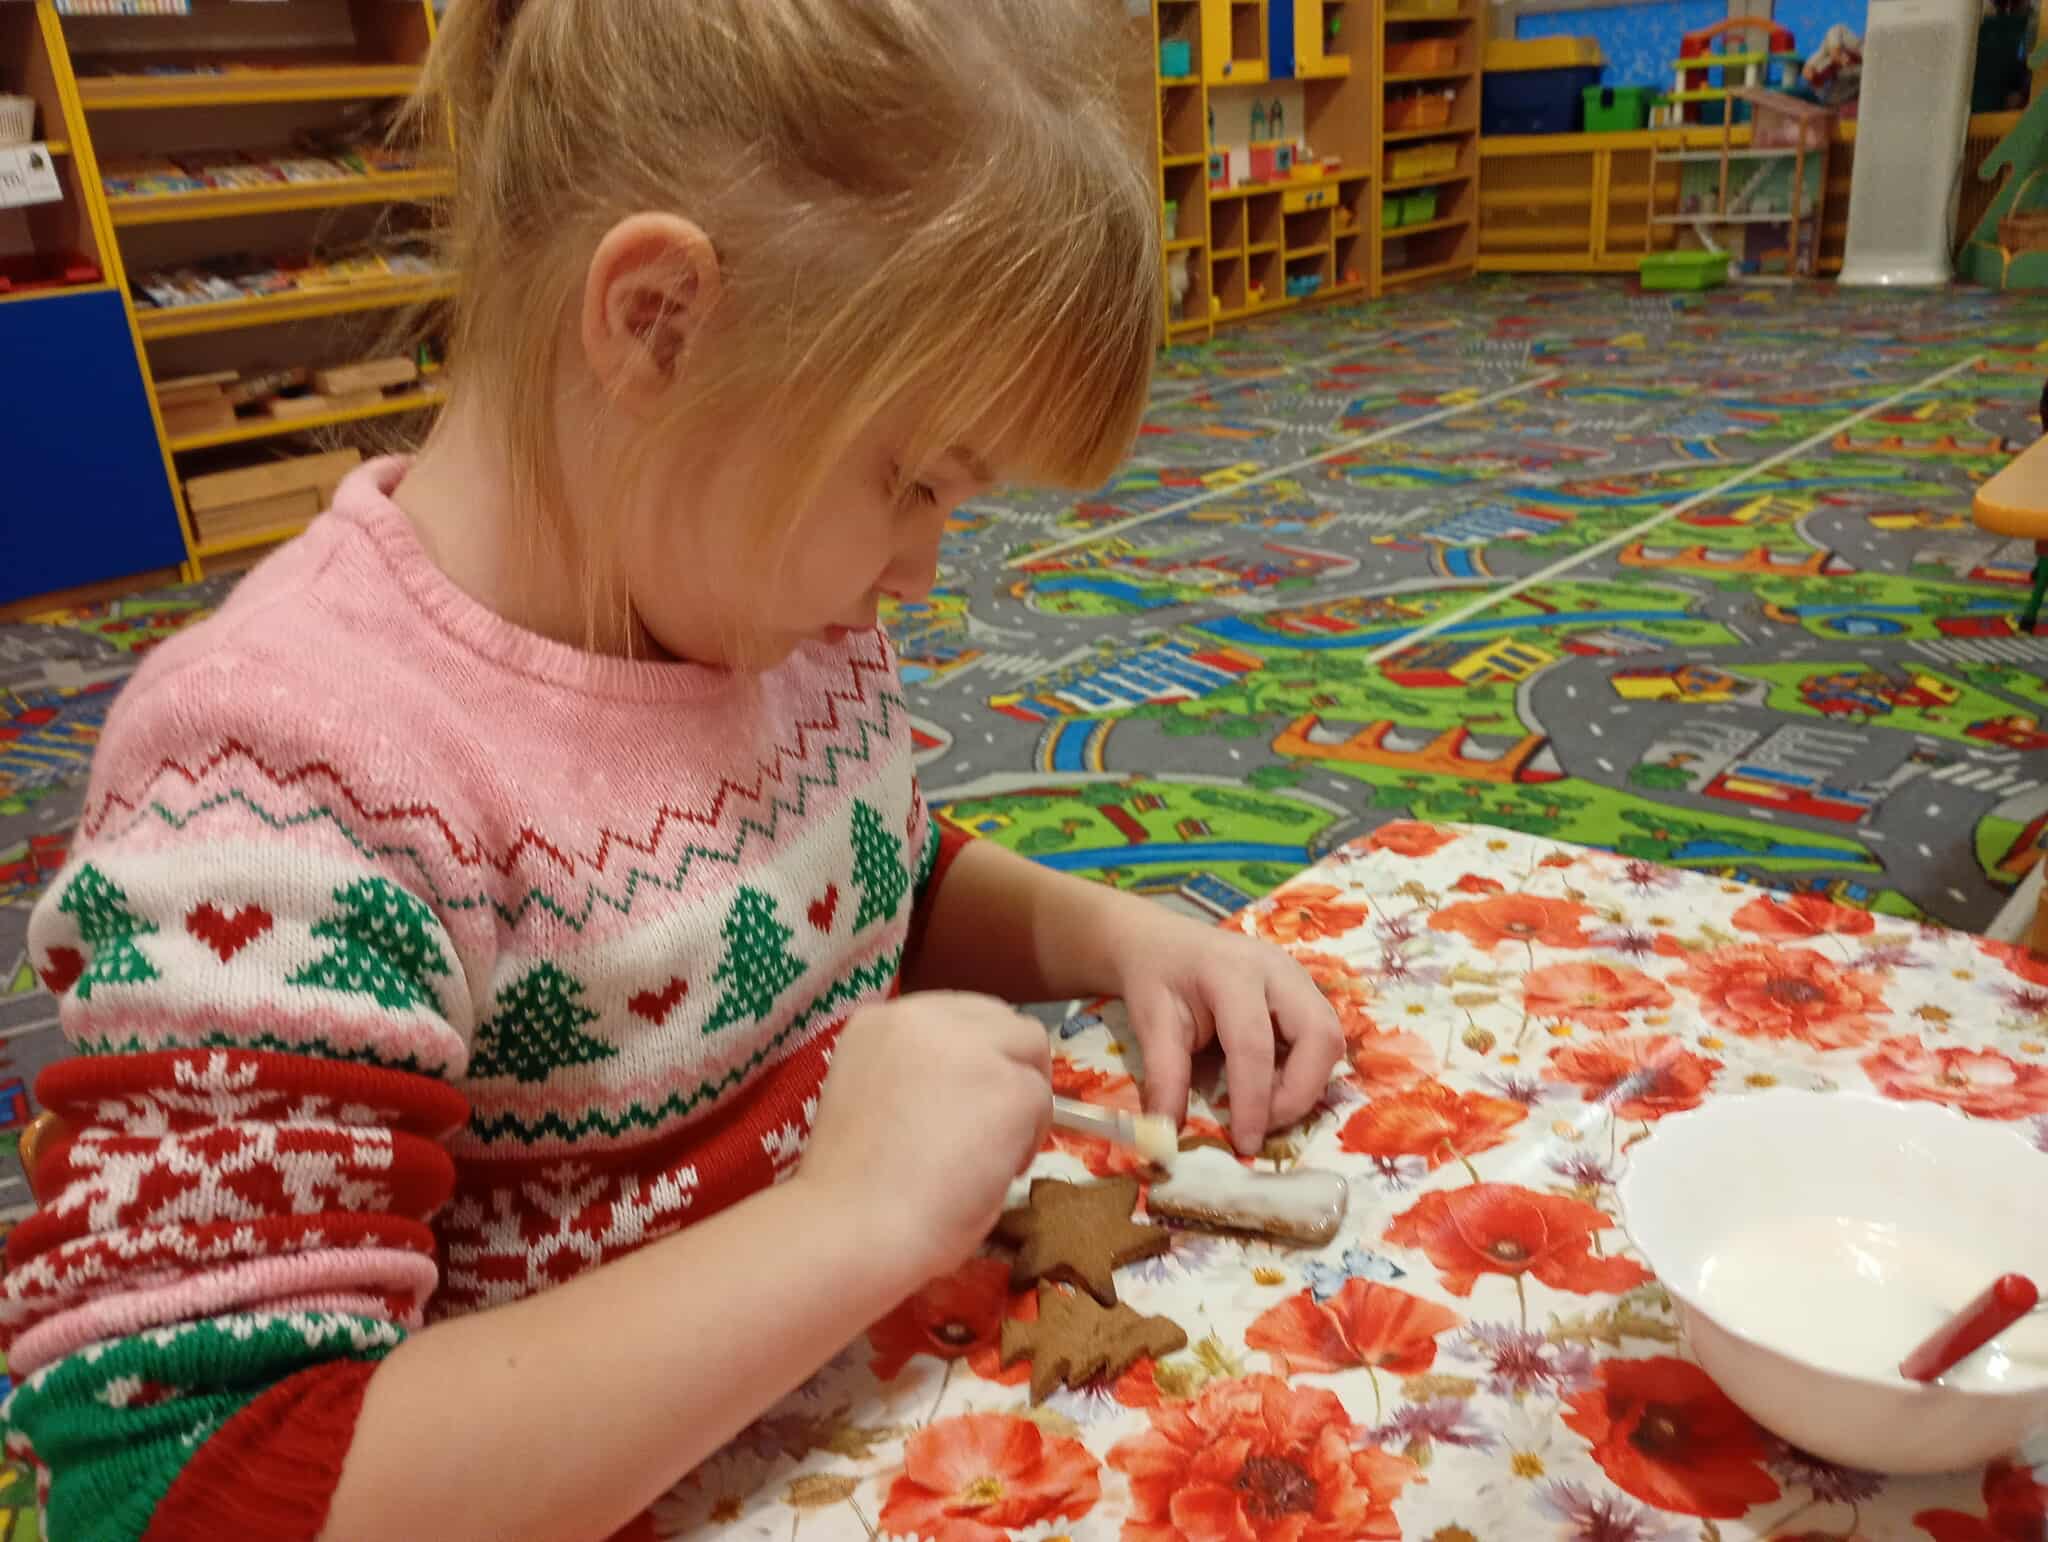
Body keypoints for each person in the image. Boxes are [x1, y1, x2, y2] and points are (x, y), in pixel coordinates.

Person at [6, 2, 1345, 1538]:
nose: (923, 569)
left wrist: (1115, 937)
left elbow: (850, 883)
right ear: (660, 324)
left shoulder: (757, 602)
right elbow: (183, 1485)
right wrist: (844, 1224)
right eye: (915, 482)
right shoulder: (278, 784)